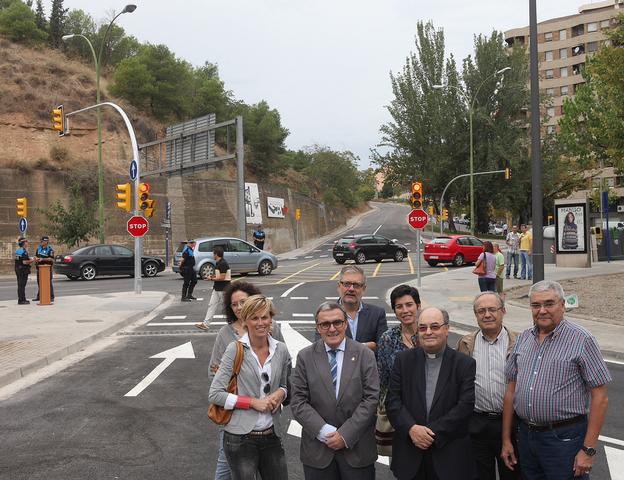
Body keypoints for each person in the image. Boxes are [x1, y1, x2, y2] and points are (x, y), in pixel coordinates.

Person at [501, 280, 611, 479]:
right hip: (526, 435)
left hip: (564, 439)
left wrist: (588, 450)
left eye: (549, 304)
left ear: (562, 305)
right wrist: (506, 439)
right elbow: (511, 390)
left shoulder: (582, 339)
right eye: (536, 305)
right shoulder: (523, 338)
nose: (542, 310)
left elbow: (600, 398)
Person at [290, 302, 380, 479]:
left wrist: (345, 435)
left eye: (337, 322)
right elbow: (298, 401)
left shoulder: (364, 354)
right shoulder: (305, 356)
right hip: (318, 452)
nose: (332, 329)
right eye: (325, 324)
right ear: (318, 328)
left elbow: (371, 399)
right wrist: (324, 432)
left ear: (345, 324)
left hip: (358, 451)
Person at [386, 307, 476, 480]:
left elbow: (465, 407)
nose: (428, 332)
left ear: (447, 329)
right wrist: (412, 429)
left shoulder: (464, 364)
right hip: (410, 453)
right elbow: (393, 401)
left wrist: (429, 434)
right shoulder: (403, 360)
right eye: (422, 328)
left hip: (449, 455)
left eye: (435, 327)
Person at [209, 282, 287, 480]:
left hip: (272, 433)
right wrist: (252, 402)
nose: (261, 323)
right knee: (223, 471)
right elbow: (215, 392)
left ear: (271, 319)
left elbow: (287, 383)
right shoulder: (234, 347)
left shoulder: (280, 348)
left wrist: (281, 392)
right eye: (254, 318)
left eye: (265, 317)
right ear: (246, 320)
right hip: (240, 435)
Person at [456, 292, 519, 480]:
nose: (487, 315)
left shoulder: (519, 343)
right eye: (481, 311)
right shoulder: (465, 344)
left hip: (512, 424)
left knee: (513, 475)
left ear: (503, 311)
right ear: (475, 315)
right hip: (477, 423)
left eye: (492, 309)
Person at [376, 285, 421, 455]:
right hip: (398, 414)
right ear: (394, 311)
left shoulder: (429, 333)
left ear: (418, 305)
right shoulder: (388, 338)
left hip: (428, 411)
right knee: (401, 462)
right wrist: (382, 411)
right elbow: (383, 379)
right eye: (399, 306)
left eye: (409, 305)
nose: (405, 310)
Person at [319, 266, 387, 352]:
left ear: (363, 289)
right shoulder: (325, 314)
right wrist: (365, 346)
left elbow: (383, 348)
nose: (351, 289)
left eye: (356, 285)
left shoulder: (377, 314)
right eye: (347, 284)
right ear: (339, 286)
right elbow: (320, 348)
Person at [196, 245, 230, 330]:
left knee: (227, 307)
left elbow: (222, 277)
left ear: (216, 254)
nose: (212, 255)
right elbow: (218, 275)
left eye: (213, 254)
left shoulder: (223, 263)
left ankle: (234, 324)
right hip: (217, 288)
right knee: (211, 305)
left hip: (223, 289)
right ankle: (206, 324)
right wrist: (211, 277)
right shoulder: (218, 263)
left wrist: (211, 279)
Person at [34, 235, 55, 302]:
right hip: (39, 268)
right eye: (41, 241)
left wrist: (42, 259)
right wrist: (36, 258)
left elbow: (51, 259)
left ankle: (51, 296)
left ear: (46, 242)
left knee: (48, 283)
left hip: (47, 269)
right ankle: (40, 296)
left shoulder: (50, 250)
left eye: (42, 241)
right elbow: (36, 255)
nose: (41, 242)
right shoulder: (39, 248)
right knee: (40, 282)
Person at [15, 237, 35, 305]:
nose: (27, 243)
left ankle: (22, 299)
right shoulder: (23, 251)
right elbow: (24, 262)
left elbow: (21, 259)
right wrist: (32, 260)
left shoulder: (18, 250)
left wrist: (30, 258)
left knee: (20, 285)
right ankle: (21, 300)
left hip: (18, 269)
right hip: (22, 270)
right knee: (22, 285)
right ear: (23, 243)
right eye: (26, 242)